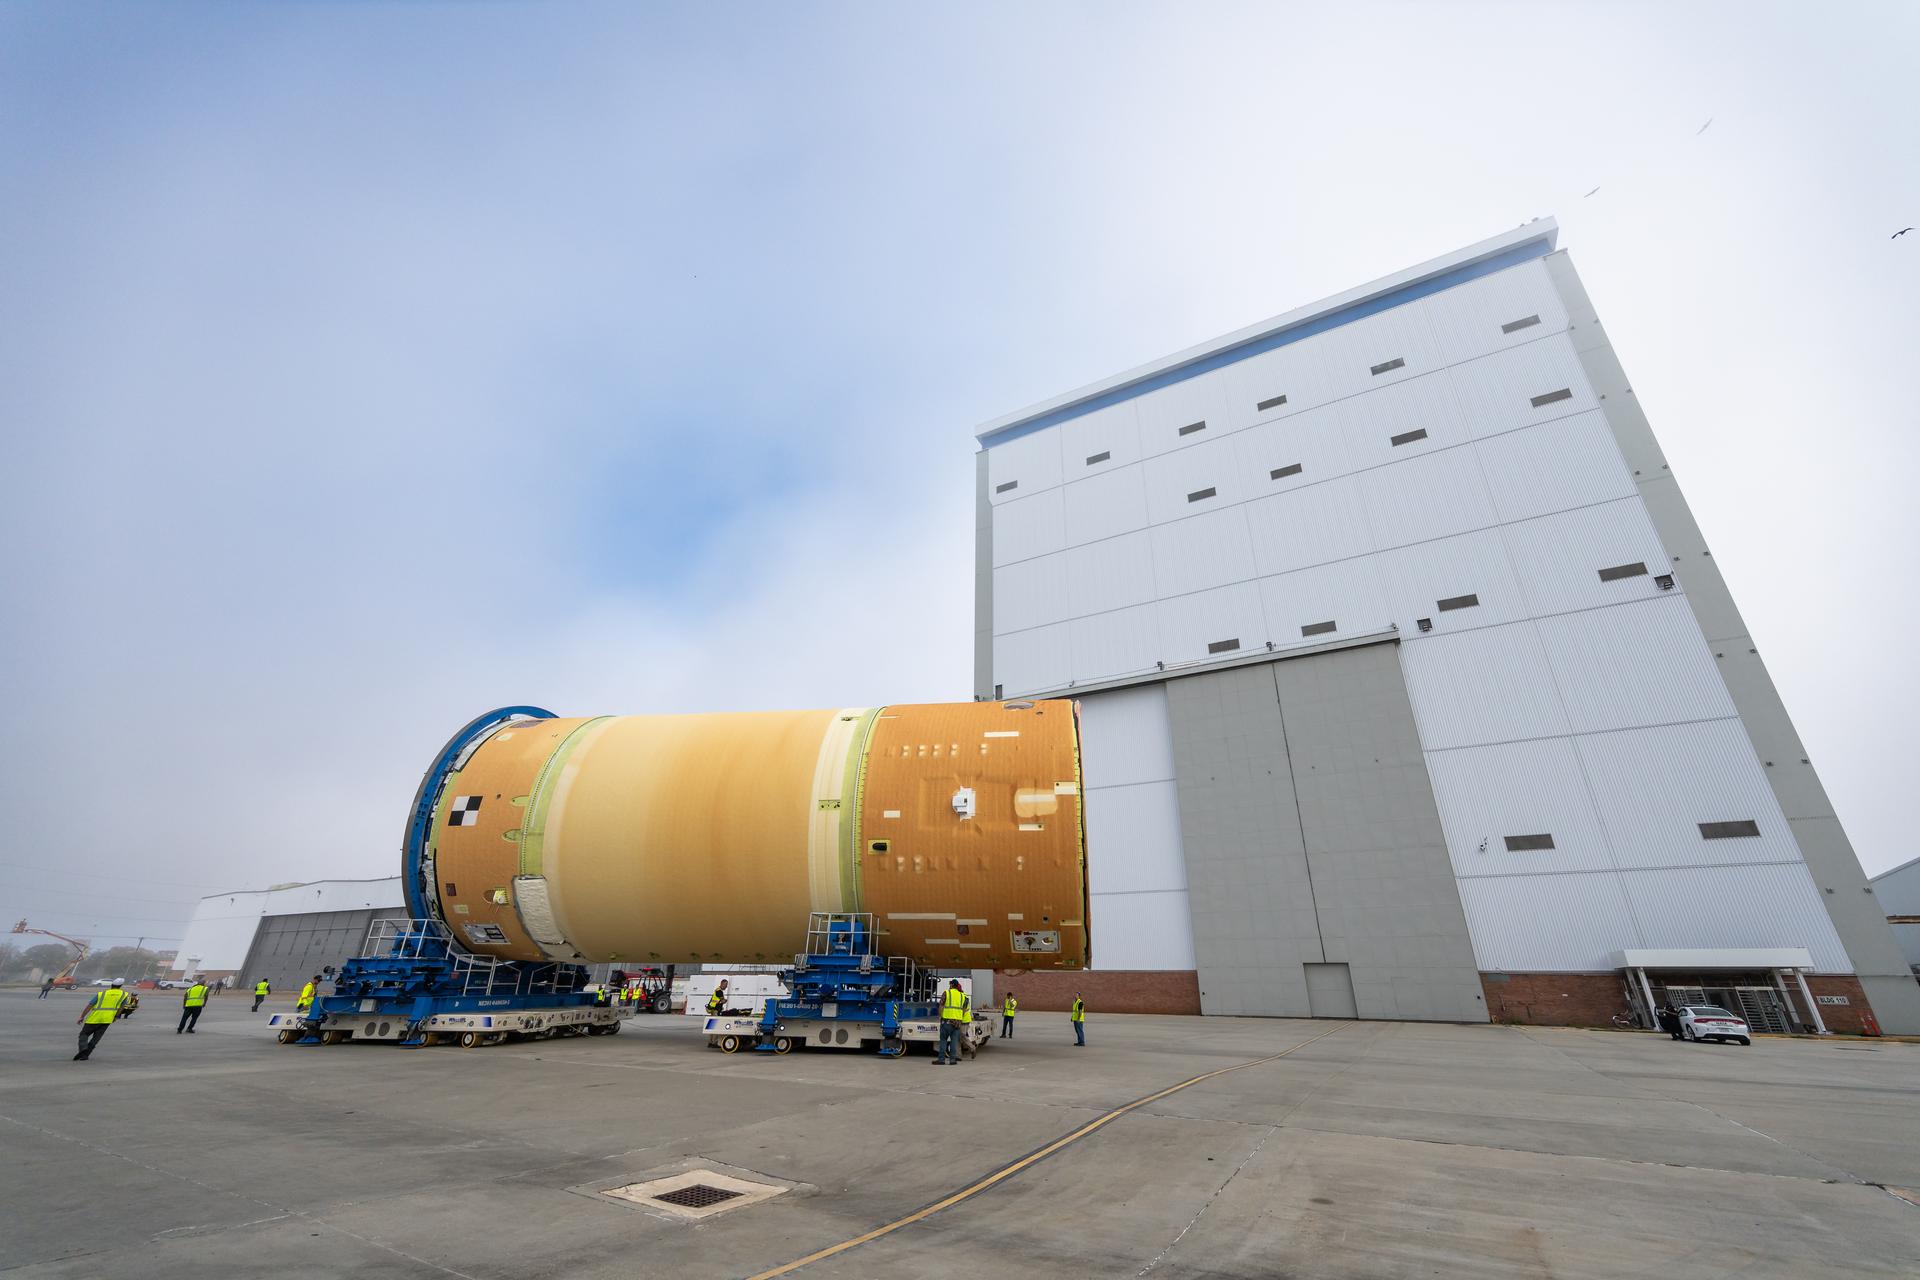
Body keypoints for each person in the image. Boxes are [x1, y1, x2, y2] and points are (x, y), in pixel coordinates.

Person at [75, 979, 129, 1060]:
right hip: (107, 1019)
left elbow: (90, 1005)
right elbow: (121, 1008)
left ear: (111, 985)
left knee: (84, 1034)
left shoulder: (102, 993)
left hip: (94, 1018)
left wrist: (82, 1016)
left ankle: (83, 1049)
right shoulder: (124, 995)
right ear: (120, 986)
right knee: (96, 1038)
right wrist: (115, 1017)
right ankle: (86, 1055)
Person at [933, 979, 969, 1065]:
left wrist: (940, 1016)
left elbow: (941, 1005)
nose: (949, 986)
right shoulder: (963, 996)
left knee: (943, 1040)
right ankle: (952, 1060)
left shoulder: (946, 993)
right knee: (954, 1041)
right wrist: (959, 1017)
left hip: (946, 1021)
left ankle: (941, 1060)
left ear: (952, 985)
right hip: (957, 1022)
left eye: (950, 984)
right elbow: (964, 1009)